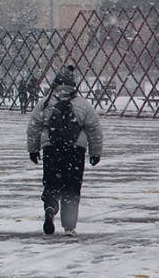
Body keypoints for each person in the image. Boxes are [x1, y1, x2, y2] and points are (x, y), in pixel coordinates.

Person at [27, 65, 103, 236]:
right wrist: (95, 153)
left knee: (51, 182)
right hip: (74, 151)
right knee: (72, 187)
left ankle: (50, 207)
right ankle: (69, 226)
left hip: (51, 149)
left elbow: (33, 127)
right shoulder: (82, 104)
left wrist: (33, 150)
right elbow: (94, 130)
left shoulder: (46, 102)